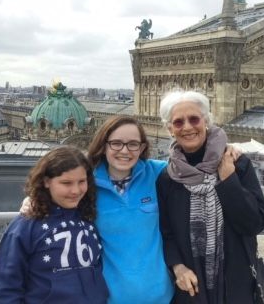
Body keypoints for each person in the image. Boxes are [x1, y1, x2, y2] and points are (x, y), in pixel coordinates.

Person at [20, 115, 174, 304]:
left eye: (133, 144)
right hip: (109, 297)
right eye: (116, 143)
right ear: (104, 145)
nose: (124, 151)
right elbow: (59, 192)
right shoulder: (86, 182)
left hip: (160, 296)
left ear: (142, 148)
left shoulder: (158, 173)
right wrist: (33, 199)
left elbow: (197, 166)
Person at [156, 90, 264, 303]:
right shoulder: (168, 178)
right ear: (170, 129)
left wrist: (228, 181)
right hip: (191, 290)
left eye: (194, 119)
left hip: (236, 288)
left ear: (206, 121)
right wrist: (178, 267)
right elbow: (166, 232)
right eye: (178, 122)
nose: (187, 127)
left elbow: (256, 223)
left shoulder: (237, 164)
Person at [0, 146, 108, 304]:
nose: (76, 190)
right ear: (46, 182)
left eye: (82, 181)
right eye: (66, 183)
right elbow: (6, 289)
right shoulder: (24, 227)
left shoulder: (88, 217)